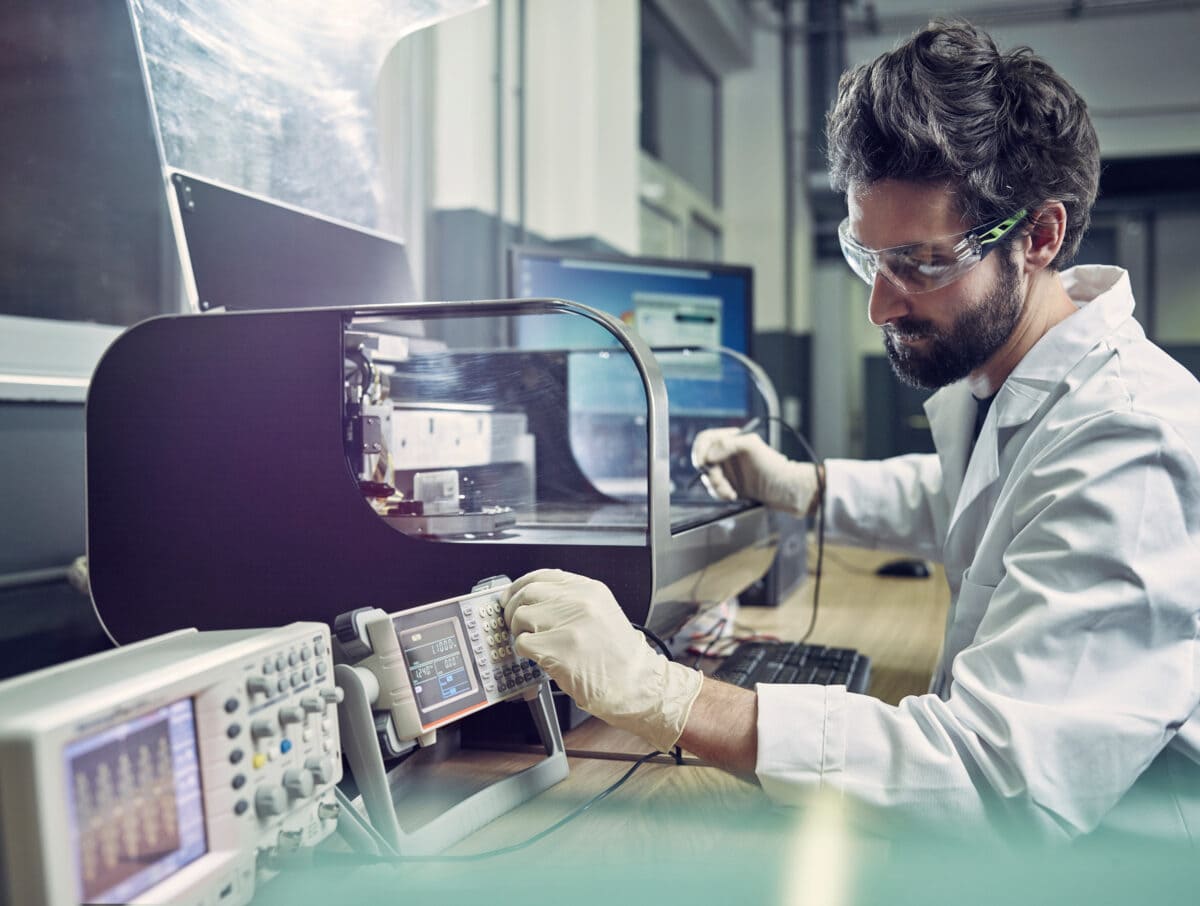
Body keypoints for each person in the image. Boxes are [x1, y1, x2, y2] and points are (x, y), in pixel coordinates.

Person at [502, 19, 1200, 843]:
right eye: (870, 258)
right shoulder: (1019, 384)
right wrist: (807, 486)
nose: (880, 304)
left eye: (922, 263)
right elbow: (972, 495)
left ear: (1039, 237)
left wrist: (666, 696)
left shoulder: (1131, 437)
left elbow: (993, 778)